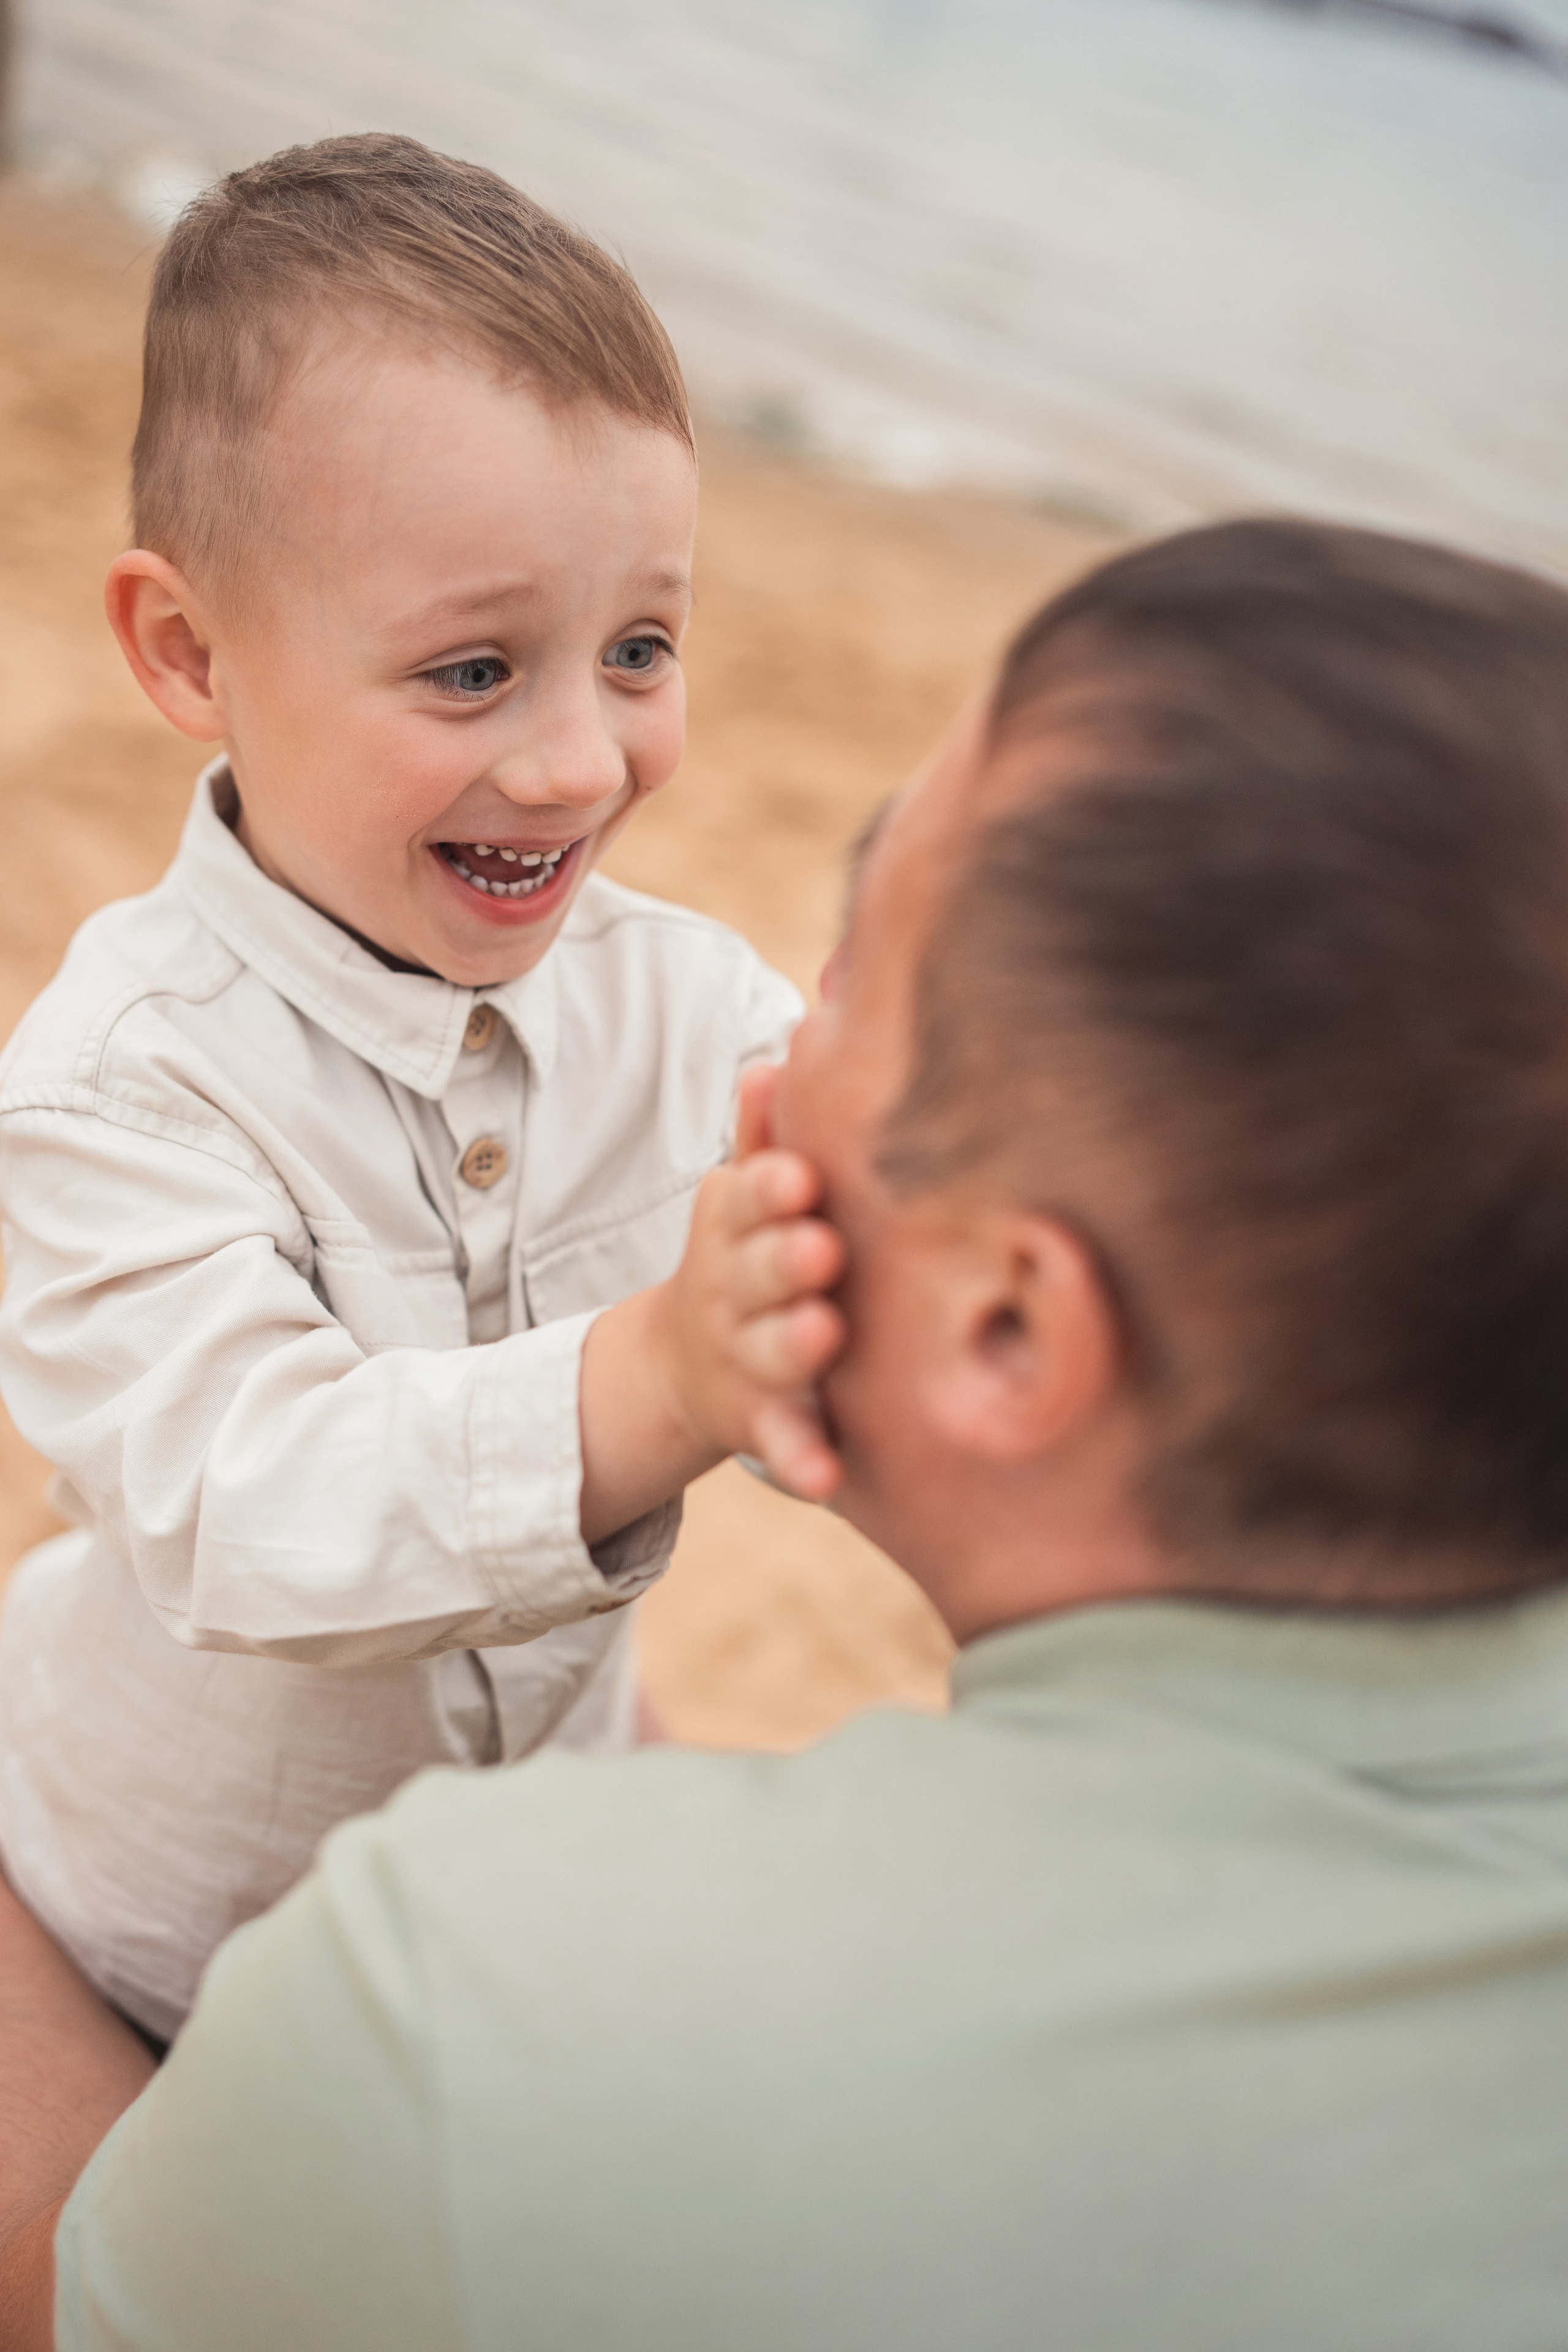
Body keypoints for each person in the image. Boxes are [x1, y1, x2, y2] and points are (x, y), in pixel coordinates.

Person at [12, 515, 1568, 2350]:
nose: (762, 1051)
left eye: (851, 976)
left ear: (1005, 1327)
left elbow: (91, 2286)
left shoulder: (475, 2016)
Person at [0, 132, 847, 2047]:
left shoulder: (690, 1006)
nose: (574, 764)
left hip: (517, 1890)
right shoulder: (113, 1095)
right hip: (149, 1938)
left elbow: (882, 1184)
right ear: (190, 653)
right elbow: (254, 1503)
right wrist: (650, 1382)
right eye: (474, 672)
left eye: (638, 649)